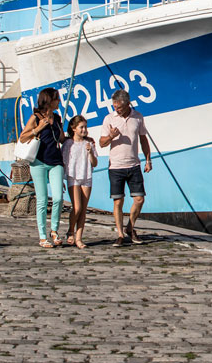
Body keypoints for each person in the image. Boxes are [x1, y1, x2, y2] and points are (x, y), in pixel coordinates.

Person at [99, 89, 152, 247]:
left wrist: (148, 160)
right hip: (115, 166)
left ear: (128, 103)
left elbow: (143, 140)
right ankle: (120, 234)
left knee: (139, 199)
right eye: (114, 105)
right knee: (118, 202)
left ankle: (130, 227)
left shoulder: (138, 117)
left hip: (134, 164)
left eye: (120, 106)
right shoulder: (109, 119)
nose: (117, 108)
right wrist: (111, 136)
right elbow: (102, 143)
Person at [19, 87, 66, 248]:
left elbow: (61, 139)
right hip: (38, 161)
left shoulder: (58, 118)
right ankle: (42, 236)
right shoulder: (36, 117)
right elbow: (23, 137)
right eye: (57, 98)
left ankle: (54, 229)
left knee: (59, 197)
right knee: (42, 199)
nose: (59, 101)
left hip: (56, 161)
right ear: (50, 100)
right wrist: (38, 129)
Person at [63, 115, 98, 249]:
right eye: (81, 127)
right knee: (77, 207)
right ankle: (70, 230)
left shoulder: (88, 143)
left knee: (83, 210)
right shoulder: (68, 144)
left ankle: (79, 238)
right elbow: (64, 162)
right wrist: (63, 179)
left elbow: (94, 163)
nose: (84, 130)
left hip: (86, 176)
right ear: (73, 129)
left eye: (85, 127)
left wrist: (90, 153)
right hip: (73, 177)